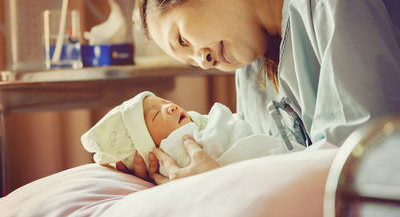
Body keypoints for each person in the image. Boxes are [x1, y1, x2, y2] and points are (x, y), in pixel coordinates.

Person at [129, 0, 400, 184]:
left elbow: (356, 166)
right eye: (191, 61)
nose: (203, 61)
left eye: (183, 40)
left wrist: (223, 184)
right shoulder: (251, 72)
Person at [81, 91, 301, 177]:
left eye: (165, 101)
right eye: (157, 114)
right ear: (149, 147)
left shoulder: (195, 125)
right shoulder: (175, 149)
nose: (171, 106)